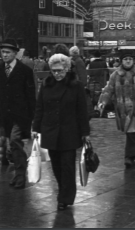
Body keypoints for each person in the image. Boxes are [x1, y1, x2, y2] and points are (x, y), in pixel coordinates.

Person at [33, 53, 89, 211]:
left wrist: (85, 132)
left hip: (69, 131)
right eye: (54, 71)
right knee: (56, 166)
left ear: (67, 69)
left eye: (60, 70)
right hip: (50, 130)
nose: (57, 74)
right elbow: (39, 108)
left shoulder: (75, 85)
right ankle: (62, 191)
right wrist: (35, 128)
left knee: (68, 166)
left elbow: (82, 111)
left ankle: (65, 197)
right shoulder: (46, 85)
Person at [0, 39, 36, 188]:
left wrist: (33, 116)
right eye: (3, 52)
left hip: (20, 114)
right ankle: (17, 166)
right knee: (10, 143)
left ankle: (20, 175)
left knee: (15, 141)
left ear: (15, 53)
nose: (5, 55)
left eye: (8, 52)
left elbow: (31, 94)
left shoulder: (25, 71)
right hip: (4, 114)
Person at [97, 54, 135, 168]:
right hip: (123, 109)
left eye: (130, 59)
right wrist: (102, 103)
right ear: (121, 61)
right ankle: (133, 155)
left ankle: (129, 156)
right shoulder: (115, 75)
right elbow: (108, 90)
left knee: (132, 132)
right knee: (131, 132)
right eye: (125, 59)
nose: (127, 61)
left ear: (134, 60)